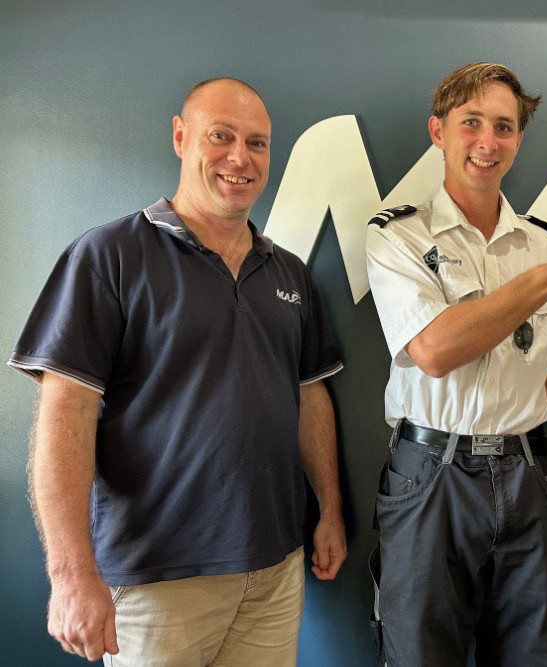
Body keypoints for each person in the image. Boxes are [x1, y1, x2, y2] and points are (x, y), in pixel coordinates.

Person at [9, 77, 347, 666]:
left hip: (275, 571)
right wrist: (70, 576)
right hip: (154, 581)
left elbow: (311, 397)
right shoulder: (109, 256)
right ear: (180, 136)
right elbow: (64, 416)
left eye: (258, 142)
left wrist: (331, 511)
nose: (240, 157)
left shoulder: (288, 273)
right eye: (221, 136)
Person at [365, 62, 547, 666]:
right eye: (471, 123)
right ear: (438, 131)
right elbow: (433, 351)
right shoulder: (399, 238)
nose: (488, 143)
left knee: (537, 653)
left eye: (504, 127)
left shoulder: (543, 245)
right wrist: (544, 283)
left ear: (518, 138)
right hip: (431, 474)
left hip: (526, 473)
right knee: (418, 654)